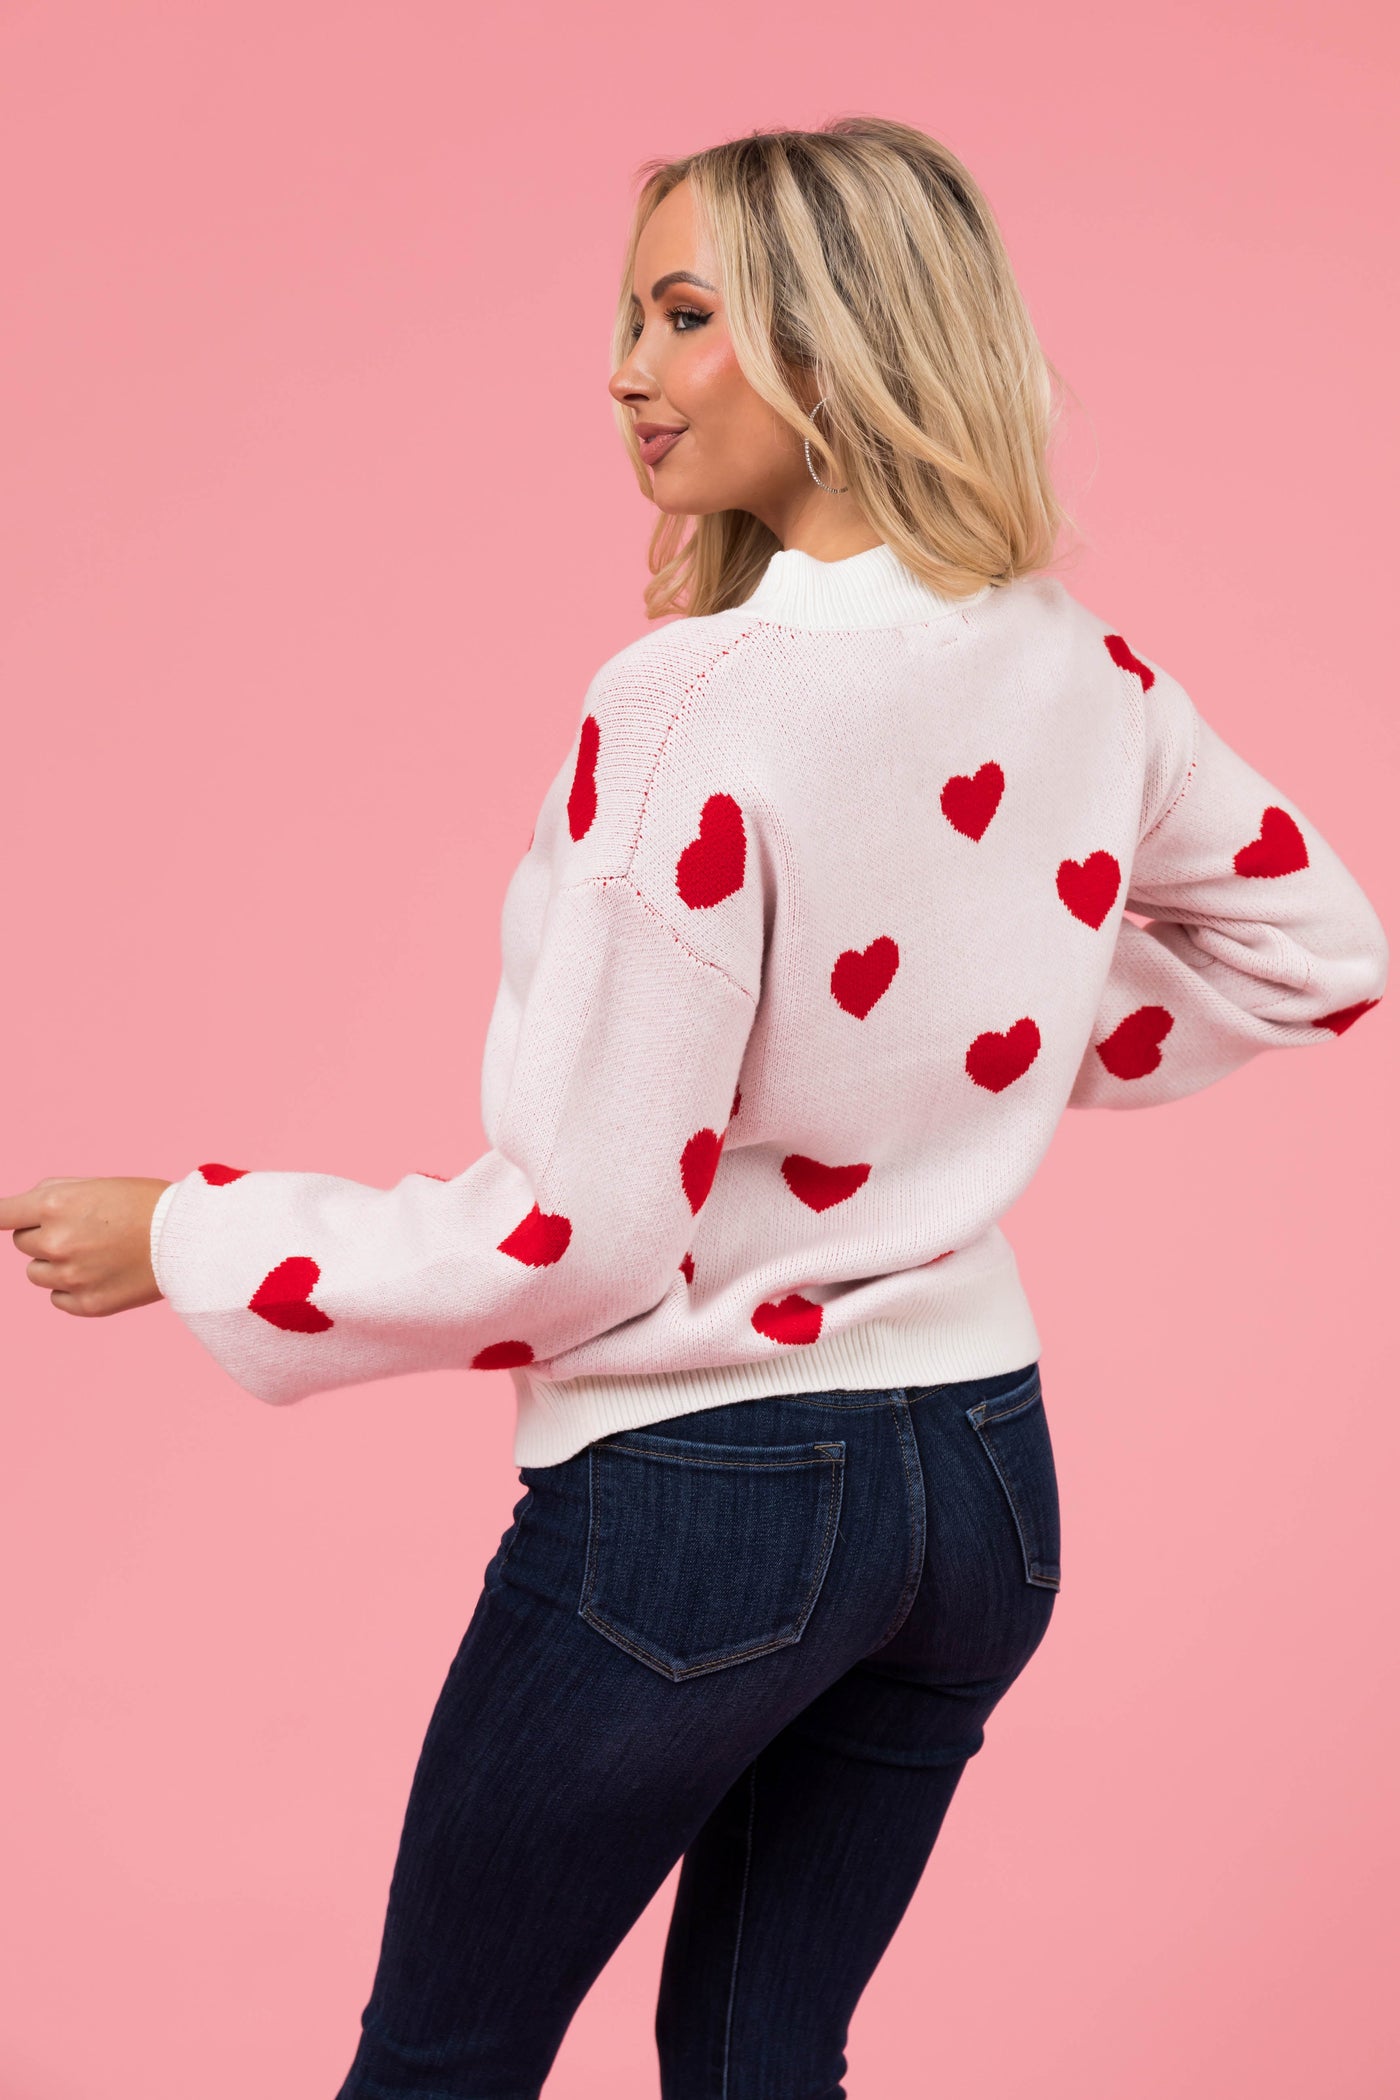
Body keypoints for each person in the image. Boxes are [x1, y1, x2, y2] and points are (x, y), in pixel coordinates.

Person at [1, 117, 1388, 2099]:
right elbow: (1313, 950)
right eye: (628, 319)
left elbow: (570, 1236)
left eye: (682, 317)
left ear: (829, 348)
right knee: (763, 2064)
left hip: (702, 1503)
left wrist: (192, 1233)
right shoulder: (1078, 667)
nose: (626, 371)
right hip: (982, 1489)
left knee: (442, 2066)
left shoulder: (684, 713)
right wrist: (975, 1044)